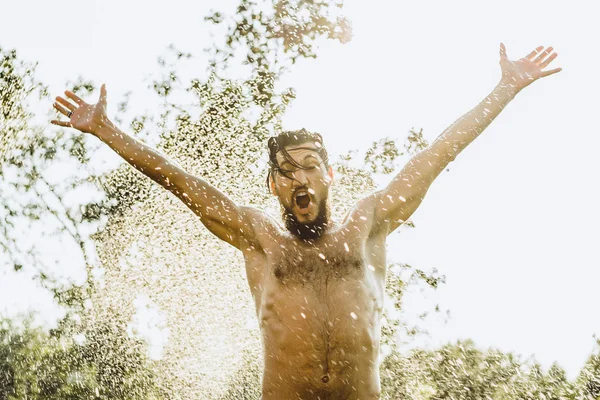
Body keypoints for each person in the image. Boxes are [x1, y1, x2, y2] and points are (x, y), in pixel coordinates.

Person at [52, 43, 561, 399]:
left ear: (330, 175)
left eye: (310, 167)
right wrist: (105, 130)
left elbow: (438, 152)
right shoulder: (260, 236)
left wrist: (506, 89)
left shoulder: (369, 222)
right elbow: (181, 183)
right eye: (287, 171)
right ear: (273, 185)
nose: (300, 179)